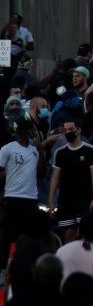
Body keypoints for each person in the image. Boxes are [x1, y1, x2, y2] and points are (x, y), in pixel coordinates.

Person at [0, 112, 45, 269]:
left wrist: (40, 151)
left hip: (31, 199)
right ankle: (5, 268)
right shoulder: (7, 149)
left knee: (30, 235)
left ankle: (28, 266)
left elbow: (41, 172)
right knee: (9, 236)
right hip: (13, 197)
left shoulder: (34, 150)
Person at [49, 116, 93, 243]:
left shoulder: (89, 150)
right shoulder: (60, 153)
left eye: (70, 129)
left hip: (85, 198)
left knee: (85, 233)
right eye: (65, 130)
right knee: (68, 233)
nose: (68, 132)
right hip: (66, 199)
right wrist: (51, 200)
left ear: (78, 130)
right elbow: (55, 178)